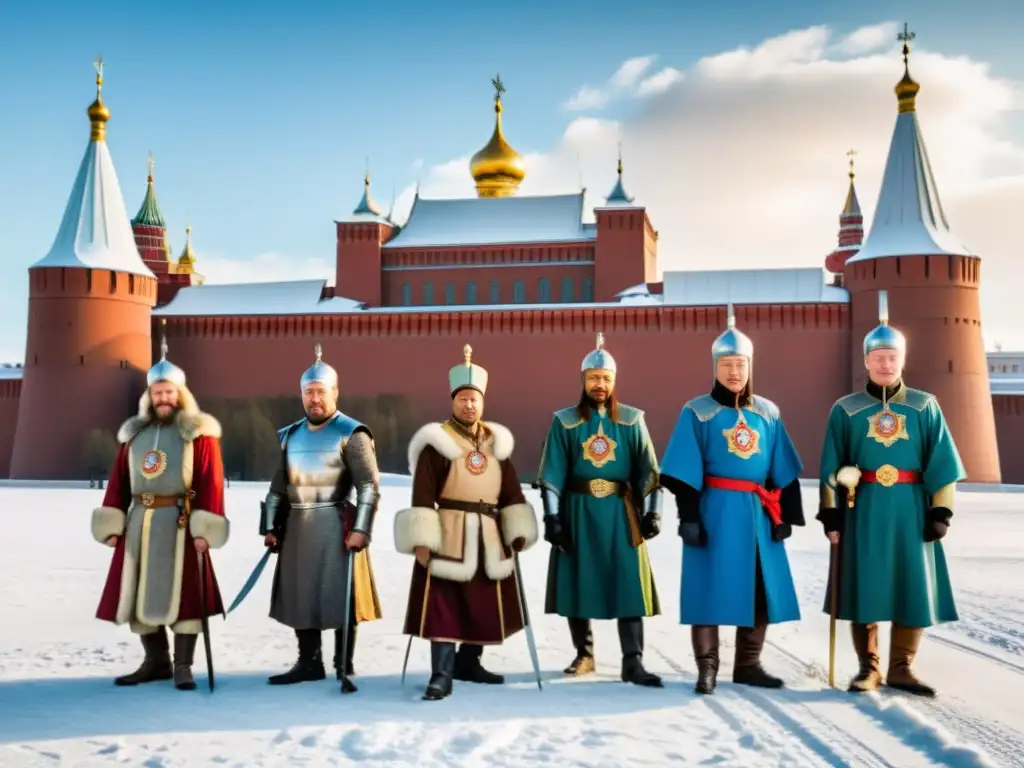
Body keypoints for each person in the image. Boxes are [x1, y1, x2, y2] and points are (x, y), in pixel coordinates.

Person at [817, 290, 964, 698]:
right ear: (866, 360)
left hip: (910, 508)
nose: (885, 363)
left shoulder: (924, 407)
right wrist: (832, 515)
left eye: (892, 357)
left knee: (909, 585)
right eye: (878, 357)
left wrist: (940, 511)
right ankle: (870, 669)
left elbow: (942, 463)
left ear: (902, 360)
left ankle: (902, 668)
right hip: (862, 509)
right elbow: (831, 464)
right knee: (865, 585)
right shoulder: (845, 410)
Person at [659, 305, 804, 695]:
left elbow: (782, 467)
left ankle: (748, 664)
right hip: (715, 510)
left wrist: (785, 515)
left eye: (740, 364)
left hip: (757, 513)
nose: (734, 372)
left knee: (759, 587)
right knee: (708, 588)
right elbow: (682, 470)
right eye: (726, 365)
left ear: (750, 366)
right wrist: (688, 515)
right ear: (715, 367)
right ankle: (707, 669)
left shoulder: (768, 412)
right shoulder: (698, 412)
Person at [394, 344, 539, 701]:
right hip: (449, 532)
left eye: (474, 399)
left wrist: (517, 528)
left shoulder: (496, 443)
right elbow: (423, 493)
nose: (469, 405)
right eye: (463, 399)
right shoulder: (437, 442)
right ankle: (442, 674)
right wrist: (422, 538)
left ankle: (469, 662)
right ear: (453, 400)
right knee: (443, 606)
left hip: (489, 534)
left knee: (483, 602)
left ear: (483, 401)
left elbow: (510, 492)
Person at [90, 331, 229, 691]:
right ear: (149, 396)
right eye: (157, 392)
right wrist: (111, 521)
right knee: (137, 594)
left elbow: (210, 484)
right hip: (138, 523)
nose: (163, 398)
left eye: (169, 392)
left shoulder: (198, 434)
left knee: (184, 597)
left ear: (180, 395)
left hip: (180, 524)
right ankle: (156, 662)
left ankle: (183, 665)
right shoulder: (133, 436)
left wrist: (205, 529)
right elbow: (119, 482)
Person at [535, 333, 663, 687]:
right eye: (593, 378)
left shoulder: (632, 421)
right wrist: (553, 517)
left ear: (614, 381)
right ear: (583, 381)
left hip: (622, 515)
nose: (600, 384)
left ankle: (632, 661)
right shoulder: (565, 422)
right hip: (578, 512)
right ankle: (585, 653)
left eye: (605, 378)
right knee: (579, 581)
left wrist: (653, 512)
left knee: (629, 584)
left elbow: (649, 471)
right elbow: (551, 474)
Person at [261, 344, 383, 693]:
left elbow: (369, 488)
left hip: (336, 524)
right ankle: (308, 662)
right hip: (297, 526)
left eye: (321, 392)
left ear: (335, 392)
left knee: (339, 595)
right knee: (302, 595)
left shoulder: (352, 432)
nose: (315, 399)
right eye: (309, 392)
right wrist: (270, 527)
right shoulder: (291, 435)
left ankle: (344, 664)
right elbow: (277, 488)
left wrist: (361, 530)